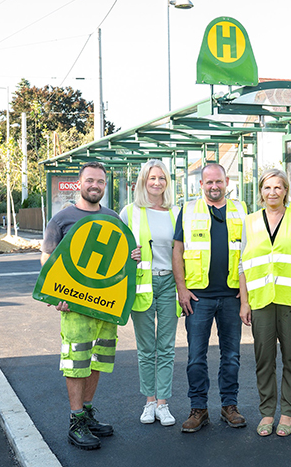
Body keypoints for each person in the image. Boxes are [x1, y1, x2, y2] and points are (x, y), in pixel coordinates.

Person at [40, 161, 119, 450]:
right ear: (79, 184)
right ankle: (75, 422)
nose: (95, 185)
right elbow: (47, 258)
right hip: (74, 307)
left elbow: (120, 257)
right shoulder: (61, 219)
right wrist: (55, 293)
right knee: (76, 362)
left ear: (104, 186)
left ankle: (86, 414)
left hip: (105, 305)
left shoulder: (112, 218)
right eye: (90, 181)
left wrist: (133, 254)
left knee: (96, 359)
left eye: (100, 181)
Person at [239, 168, 291, 438]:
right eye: (267, 187)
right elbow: (243, 264)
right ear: (260, 191)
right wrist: (244, 302)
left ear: (285, 190)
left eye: (277, 187)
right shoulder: (249, 221)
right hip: (261, 301)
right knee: (264, 360)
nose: (272, 192)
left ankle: (287, 414)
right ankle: (267, 413)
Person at [172, 163, 248, 433]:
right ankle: (198, 409)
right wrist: (181, 288)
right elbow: (177, 250)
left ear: (227, 182)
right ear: (200, 185)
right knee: (195, 357)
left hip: (231, 296)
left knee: (231, 356)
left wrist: (246, 289)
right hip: (198, 297)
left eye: (218, 181)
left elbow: (250, 252)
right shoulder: (188, 210)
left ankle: (230, 406)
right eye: (208, 182)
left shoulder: (241, 210)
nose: (214, 186)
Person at [119, 160, 181, 427]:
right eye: (152, 178)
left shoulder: (176, 213)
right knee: (146, 349)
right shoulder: (129, 212)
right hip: (142, 287)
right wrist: (126, 254)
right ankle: (149, 402)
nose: (157, 183)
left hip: (169, 284)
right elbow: (116, 249)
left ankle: (164, 403)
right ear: (143, 181)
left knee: (166, 347)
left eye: (162, 178)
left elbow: (182, 251)